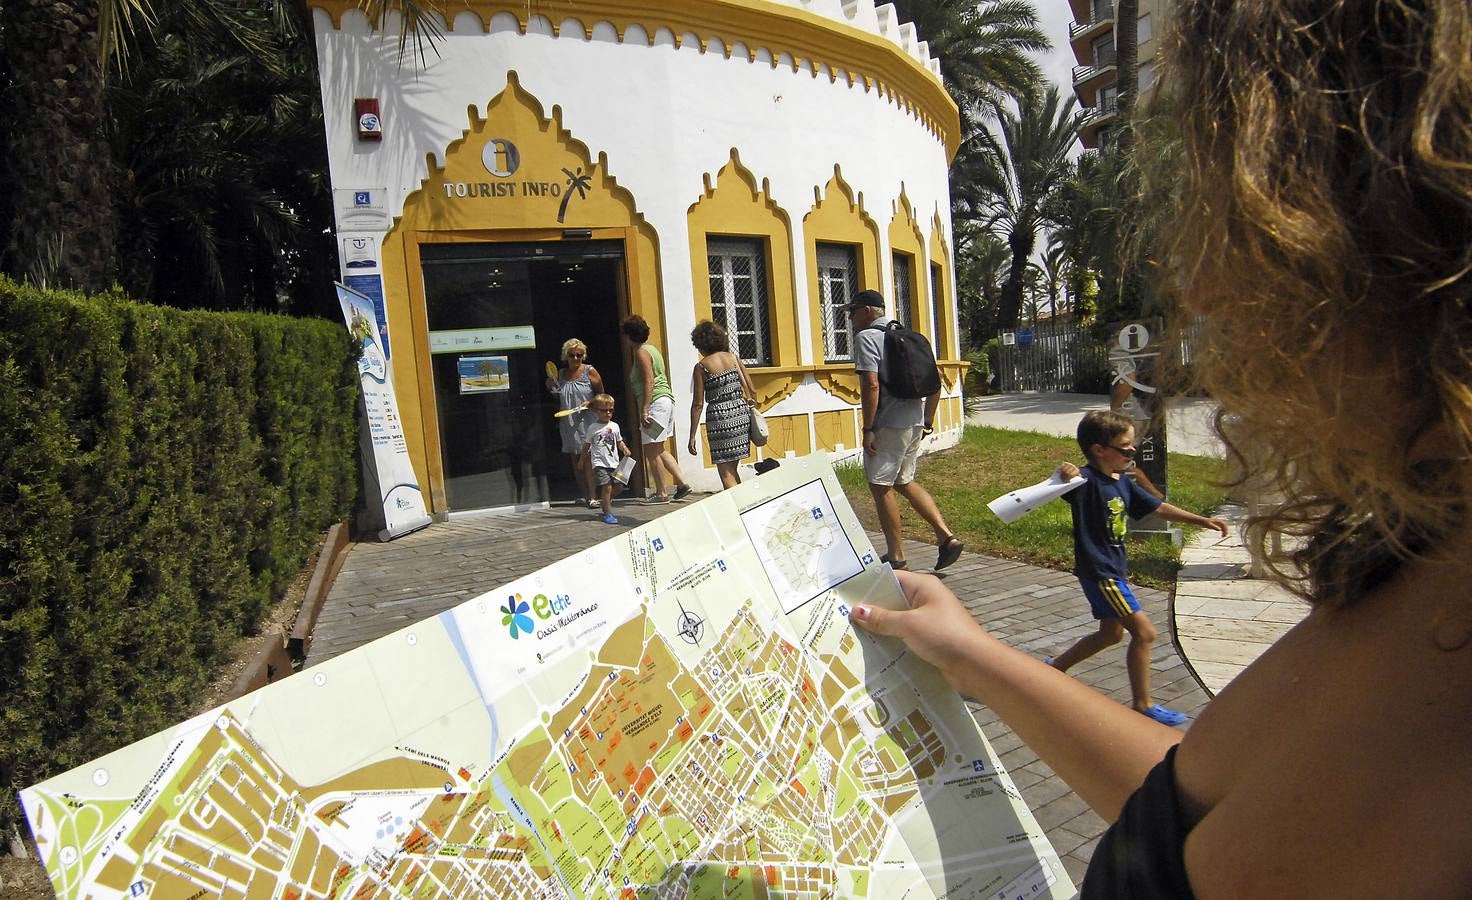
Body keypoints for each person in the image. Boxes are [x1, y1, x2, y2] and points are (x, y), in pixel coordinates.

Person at [851, 1, 1472, 893]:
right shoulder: (1416, 555)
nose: (1202, 282)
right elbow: (1192, 808)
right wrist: (975, 653)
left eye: (1265, 211)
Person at [1049, 411, 1227, 726]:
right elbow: (1057, 484)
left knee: (1110, 634)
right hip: (1101, 572)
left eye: (1132, 447)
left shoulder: (1123, 483)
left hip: (1113, 571)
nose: (1131, 454)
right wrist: (1064, 473)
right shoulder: (1085, 483)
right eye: (1125, 448)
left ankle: (1054, 668)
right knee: (1145, 633)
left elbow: (1158, 507)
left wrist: (1201, 520)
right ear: (1098, 449)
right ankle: (1143, 705)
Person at [849, 288, 963, 571]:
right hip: (913, 421)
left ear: (866, 312)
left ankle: (896, 555)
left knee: (880, 486)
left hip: (888, 424)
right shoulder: (909, 335)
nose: (850, 318)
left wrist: (869, 428)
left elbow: (871, 385)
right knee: (903, 481)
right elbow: (935, 380)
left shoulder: (867, 338)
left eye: (853, 311)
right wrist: (927, 418)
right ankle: (946, 536)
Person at [621, 315, 692, 503]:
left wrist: (644, 409)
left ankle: (661, 493)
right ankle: (682, 483)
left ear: (629, 336)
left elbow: (649, 380)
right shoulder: (652, 349)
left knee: (651, 451)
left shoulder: (641, 352)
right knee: (659, 448)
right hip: (666, 401)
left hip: (655, 404)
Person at [686, 321, 756, 490]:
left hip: (720, 419)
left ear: (700, 344)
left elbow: (697, 404)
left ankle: (739, 510)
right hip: (740, 414)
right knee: (732, 469)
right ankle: (744, 506)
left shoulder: (701, 366)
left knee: (725, 473)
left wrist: (692, 435)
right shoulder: (733, 358)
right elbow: (752, 390)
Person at [546, 338, 603, 507]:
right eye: (572, 355)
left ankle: (593, 497)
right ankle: (586, 496)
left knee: (586, 460)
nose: (576, 359)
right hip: (569, 422)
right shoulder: (561, 374)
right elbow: (559, 397)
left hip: (588, 421)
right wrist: (551, 387)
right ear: (566, 356)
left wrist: (590, 403)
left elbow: (602, 396)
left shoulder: (590, 371)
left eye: (579, 355)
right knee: (575, 461)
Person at [584, 394, 630, 525]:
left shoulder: (615, 426)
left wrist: (625, 449)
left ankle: (605, 501)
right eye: (604, 410)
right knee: (607, 487)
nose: (608, 413)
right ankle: (608, 513)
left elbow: (619, 441)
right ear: (596, 411)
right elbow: (586, 445)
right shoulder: (593, 428)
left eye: (611, 410)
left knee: (619, 487)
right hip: (600, 463)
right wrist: (582, 460)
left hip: (614, 462)